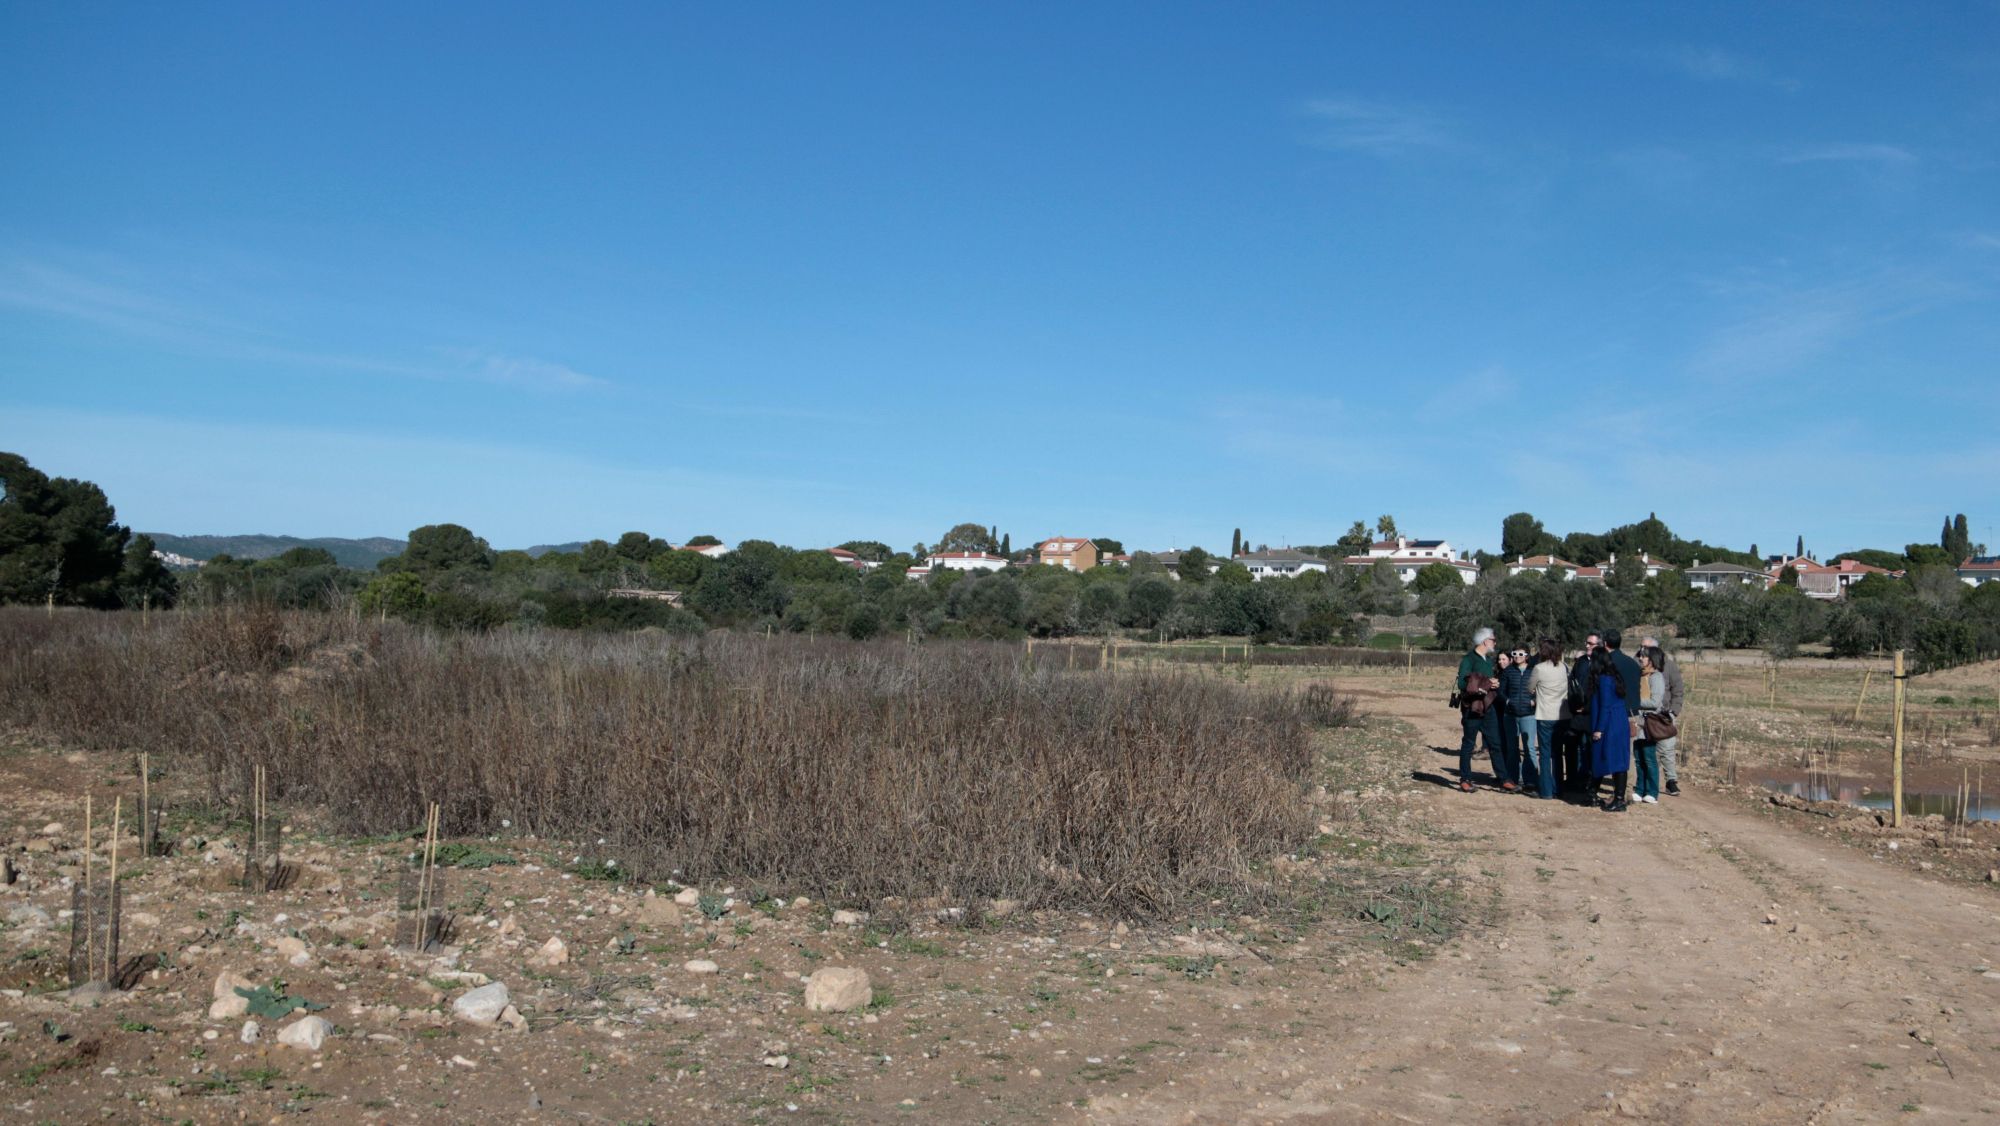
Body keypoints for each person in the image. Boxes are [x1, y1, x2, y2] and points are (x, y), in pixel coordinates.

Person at [1455, 627, 1503, 793]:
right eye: (1493, 640)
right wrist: (1479, 686)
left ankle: (1504, 779)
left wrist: (1493, 684)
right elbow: (1462, 683)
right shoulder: (1469, 660)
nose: (1495, 643)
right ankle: (1465, 779)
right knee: (1469, 743)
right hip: (1472, 708)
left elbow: (1489, 681)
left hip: (1488, 708)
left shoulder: (1488, 661)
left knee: (1495, 743)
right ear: (1485, 641)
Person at [1584, 648, 1632, 811]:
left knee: (1612, 760)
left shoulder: (1604, 680)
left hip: (1610, 723)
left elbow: (1605, 706)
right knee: (1615, 759)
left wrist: (1599, 729)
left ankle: (1618, 800)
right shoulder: (1612, 676)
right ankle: (1601, 795)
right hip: (1617, 721)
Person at [1640, 635, 1685, 796]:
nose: (1642, 651)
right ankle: (1645, 784)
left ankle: (1671, 781)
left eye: (1646, 648)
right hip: (1643, 715)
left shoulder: (1669, 666)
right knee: (1644, 750)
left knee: (1667, 748)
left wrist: (1674, 711)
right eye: (1641, 647)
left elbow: (1678, 690)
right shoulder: (1638, 664)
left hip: (1664, 715)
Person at [1559, 633, 1601, 798]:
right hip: (1575, 714)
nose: (1588, 646)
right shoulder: (1581, 662)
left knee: (1590, 749)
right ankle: (1571, 779)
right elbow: (1572, 684)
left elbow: (1599, 692)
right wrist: (1573, 705)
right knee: (1570, 747)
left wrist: (1587, 708)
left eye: (1591, 643)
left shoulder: (1602, 665)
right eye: (1587, 643)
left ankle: (1589, 781)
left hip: (1591, 714)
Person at [1528, 638, 1568, 799]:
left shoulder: (1538, 668)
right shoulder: (1564, 667)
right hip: (1563, 715)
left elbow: (1529, 688)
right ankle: (1558, 788)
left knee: (1545, 754)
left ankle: (1545, 791)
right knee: (1558, 753)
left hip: (1545, 714)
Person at [1498, 646, 1535, 793]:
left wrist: (1535, 701)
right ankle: (1512, 779)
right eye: (1514, 654)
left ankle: (1530, 780)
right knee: (1512, 749)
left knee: (1529, 748)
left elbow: (1540, 689)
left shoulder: (1533, 671)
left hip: (1529, 715)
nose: (1517, 656)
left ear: (1527, 656)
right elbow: (1501, 691)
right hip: (1510, 715)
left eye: (1521, 654)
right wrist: (1508, 702)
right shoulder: (1508, 671)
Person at [1632, 649, 1667, 804]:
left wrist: (1634, 701)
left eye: (1644, 656)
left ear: (1652, 660)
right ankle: (1640, 789)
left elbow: (1655, 702)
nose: (1641, 658)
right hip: (1639, 722)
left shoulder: (1656, 677)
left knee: (1649, 757)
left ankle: (1652, 791)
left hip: (1649, 724)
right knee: (1638, 758)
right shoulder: (1641, 676)